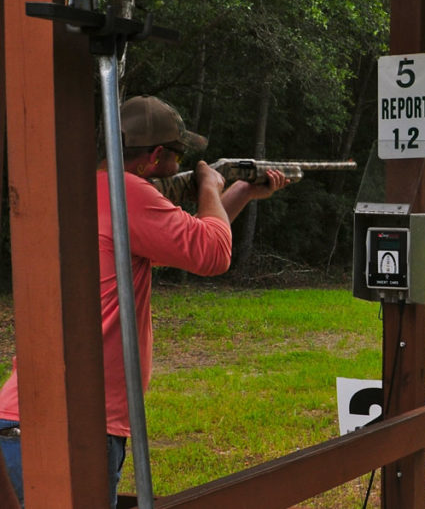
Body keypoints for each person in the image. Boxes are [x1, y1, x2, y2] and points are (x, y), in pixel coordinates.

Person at [0, 95, 290, 507]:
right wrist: (209, 184)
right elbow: (213, 254)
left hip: (19, 418)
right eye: (177, 157)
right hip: (79, 427)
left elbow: (191, 244)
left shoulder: (78, 190)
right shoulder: (128, 194)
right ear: (154, 156)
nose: (179, 167)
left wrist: (238, 192)